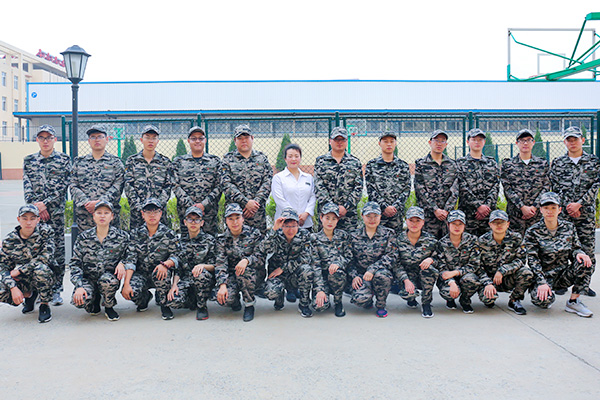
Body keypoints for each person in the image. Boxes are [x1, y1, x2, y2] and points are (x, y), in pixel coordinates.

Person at [523, 192, 594, 317]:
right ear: (541, 210)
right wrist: (541, 282)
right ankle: (547, 292)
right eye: (546, 208)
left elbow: (575, 249)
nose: (549, 211)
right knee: (542, 302)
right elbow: (533, 260)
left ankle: (573, 301)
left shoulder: (569, 227)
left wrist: (580, 253)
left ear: (559, 210)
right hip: (544, 276)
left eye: (553, 208)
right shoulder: (533, 232)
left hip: (563, 275)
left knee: (586, 262)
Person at [549, 126, 599, 297]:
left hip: (585, 214)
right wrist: (568, 206)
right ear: (564, 142)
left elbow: (595, 186)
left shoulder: (594, 162)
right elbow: (554, 187)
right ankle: (561, 282)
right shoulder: (558, 163)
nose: (572, 142)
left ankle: (583, 284)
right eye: (569, 140)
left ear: (582, 140)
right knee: (562, 250)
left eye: (575, 139)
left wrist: (579, 204)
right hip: (564, 214)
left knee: (587, 249)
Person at [23, 125, 71, 306]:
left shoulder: (64, 160)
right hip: (34, 217)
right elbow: (27, 186)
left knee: (57, 252)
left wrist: (46, 204)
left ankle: (56, 290)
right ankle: (35, 290)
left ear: (54, 140)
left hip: (55, 214)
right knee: (34, 251)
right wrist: (36, 208)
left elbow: (64, 185)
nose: (45, 141)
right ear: (37, 140)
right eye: (42, 137)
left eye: (49, 137)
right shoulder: (29, 160)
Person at [259, 207, 328, 318]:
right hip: (278, 276)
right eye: (287, 226)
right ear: (282, 225)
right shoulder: (275, 234)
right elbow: (264, 249)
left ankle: (304, 304)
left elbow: (306, 258)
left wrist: (283, 268)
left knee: (306, 270)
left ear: (298, 225)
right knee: (271, 292)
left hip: (295, 274)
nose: (290, 230)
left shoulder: (304, 235)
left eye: (293, 226)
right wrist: (273, 230)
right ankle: (279, 299)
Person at [69, 201, 130, 321]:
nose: (102, 216)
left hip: (108, 279)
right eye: (99, 213)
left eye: (106, 213)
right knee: (79, 302)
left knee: (108, 281)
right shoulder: (84, 238)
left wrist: (123, 263)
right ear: (93, 216)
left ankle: (109, 306)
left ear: (112, 216)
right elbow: (75, 264)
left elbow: (131, 255)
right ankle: (94, 299)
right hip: (89, 279)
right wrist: (79, 286)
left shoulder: (122, 237)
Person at [122, 198, 181, 320]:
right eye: (148, 212)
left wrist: (165, 264)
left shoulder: (169, 234)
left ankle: (164, 304)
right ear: (142, 214)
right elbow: (131, 260)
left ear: (161, 213)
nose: (152, 215)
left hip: (159, 273)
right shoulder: (135, 234)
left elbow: (176, 256)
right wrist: (126, 284)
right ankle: (144, 298)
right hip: (141, 273)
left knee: (162, 273)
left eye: (156, 211)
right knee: (132, 291)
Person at [0, 205, 54, 323]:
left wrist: (19, 271)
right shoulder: (9, 240)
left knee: (41, 269)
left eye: (32, 218)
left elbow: (45, 257)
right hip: (25, 278)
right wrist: (13, 287)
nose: (28, 222)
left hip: (45, 274)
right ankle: (28, 295)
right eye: (24, 218)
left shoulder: (46, 232)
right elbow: (3, 267)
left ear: (38, 220)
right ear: (18, 220)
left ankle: (44, 304)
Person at [477, 210, 533, 315]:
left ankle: (514, 300)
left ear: (507, 224)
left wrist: (503, 271)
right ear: (490, 224)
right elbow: (478, 266)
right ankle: (490, 295)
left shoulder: (516, 238)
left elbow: (521, 260)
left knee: (526, 273)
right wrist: (487, 283)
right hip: (489, 279)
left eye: (502, 222)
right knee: (488, 299)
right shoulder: (482, 241)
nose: (499, 225)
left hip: (507, 277)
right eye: (495, 222)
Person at [70, 125, 125, 231]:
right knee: (86, 246)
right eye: (93, 137)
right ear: (89, 141)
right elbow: (73, 185)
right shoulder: (79, 162)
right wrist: (86, 202)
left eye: (100, 136)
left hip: (108, 217)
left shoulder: (115, 163)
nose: (97, 140)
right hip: (85, 217)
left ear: (107, 139)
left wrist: (101, 202)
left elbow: (119, 185)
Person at [215, 203, 264, 322]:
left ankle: (249, 304)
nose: (235, 222)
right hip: (232, 275)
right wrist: (222, 285)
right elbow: (221, 263)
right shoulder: (222, 239)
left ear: (243, 218)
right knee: (225, 300)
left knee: (244, 270)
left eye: (237, 218)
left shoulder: (254, 234)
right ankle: (235, 299)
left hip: (252, 275)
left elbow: (261, 257)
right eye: (230, 219)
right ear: (226, 221)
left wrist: (247, 260)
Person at [166, 206, 216, 320]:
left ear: (202, 222)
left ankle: (202, 306)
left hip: (205, 280)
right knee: (173, 301)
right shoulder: (180, 242)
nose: (193, 222)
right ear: (185, 222)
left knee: (201, 274)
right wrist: (174, 285)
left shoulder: (210, 240)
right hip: (187, 281)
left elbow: (216, 265)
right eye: (190, 219)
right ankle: (192, 300)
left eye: (197, 219)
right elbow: (178, 268)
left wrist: (202, 266)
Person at [221, 124, 273, 235]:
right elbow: (226, 184)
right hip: (235, 214)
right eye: (240, 138)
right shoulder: (227, 159)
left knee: (259, 246)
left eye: (246, 138)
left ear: (252, 138)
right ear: (235, 140)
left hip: (257, 213)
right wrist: (245, 202)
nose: (243, 141)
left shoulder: (262, 158)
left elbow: (267, 182)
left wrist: (254, 204)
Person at [348, 202, 397, 318]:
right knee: (360, 299)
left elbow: (391, 256)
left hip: (380, 272)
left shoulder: (388, 234)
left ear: (380, 217)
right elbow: (349, 259)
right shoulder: (353, 235)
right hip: (361, 275)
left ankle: (381, 305)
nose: (372, 219)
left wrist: (372, 269)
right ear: (362, 216)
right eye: (368, 216)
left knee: (383, 276)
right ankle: (368, 299)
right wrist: (354, 276)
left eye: (375, 216)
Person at [172, 126, 222, 236]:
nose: (197, 141)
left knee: (210, 246)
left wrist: (204, 205)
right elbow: (174, 185)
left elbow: (220, 186)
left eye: (201, 138)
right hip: (187, 216)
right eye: (194, 138)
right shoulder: (179, 162)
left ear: (205, 140)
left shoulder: (215, 161)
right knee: (186, 246)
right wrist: (191, 206)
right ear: (188, 141)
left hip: (209, 215)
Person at [500, 129, 550, 238]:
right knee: (516, 247)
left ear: (533, 142)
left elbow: (546, 187)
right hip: (515, 216)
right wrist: (522, 207)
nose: (525, 143)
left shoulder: (542, 164)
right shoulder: (508, 164)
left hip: (536, 215)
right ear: (517, 143)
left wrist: (534, 207)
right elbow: (507, 188)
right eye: (522, 140)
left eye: (528, 140)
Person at [314, 127, 363, 231]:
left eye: (343, 140)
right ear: (330, 141)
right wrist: (332, 209)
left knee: (348, 244)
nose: (339, 142)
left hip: (348, 215)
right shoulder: (321, 162)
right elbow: (319, 187)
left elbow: (358, 188)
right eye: (336, 139)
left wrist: (346, 207)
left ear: (347, 141)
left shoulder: (355, 162)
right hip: (327, 215)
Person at [124, 125, 172, 230]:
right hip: (138, 214)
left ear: (158, 141)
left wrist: (157, 207)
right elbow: (128, 185)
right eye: (147, 137)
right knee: (137, 243)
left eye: (154, 138)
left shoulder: (165, 162)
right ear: (141, 140)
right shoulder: (132, 161)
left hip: (158, 215)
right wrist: (140, 208)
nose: (151, 141)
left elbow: (168, 186)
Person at [395, 206, 439, 318]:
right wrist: (405, 280)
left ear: (423, 222)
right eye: (411, 220)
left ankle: (426, 303)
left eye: (418, 220)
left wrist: (431, 259)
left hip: (423, 275)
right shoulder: (398, 239)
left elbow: (441, 257)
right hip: (407, 276)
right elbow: (396, 263)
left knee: (429, 270)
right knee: (407, 293)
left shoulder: (431, 240)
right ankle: (411, 298)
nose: (414, 224)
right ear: (406, 221)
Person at [414, 130, 459, 239]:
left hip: (447, 216)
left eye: (442, 141)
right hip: (429, 216)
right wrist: (435, 209)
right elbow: (420, 189)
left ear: (446, 144)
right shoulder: (421, 164)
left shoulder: (452, 164)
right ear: (430, 142)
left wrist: (446, 210)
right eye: (436, 140)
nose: (439, 144)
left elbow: (456, 189)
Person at [456, 128, 500, 237]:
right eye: (474, 139)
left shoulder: (492, 163)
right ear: (468, 142)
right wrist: (478, 206)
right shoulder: (460, 163)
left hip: (488, 215)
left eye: (480, 139)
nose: (477, 142)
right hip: (468, 214)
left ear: (484, 142)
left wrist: (486, 207)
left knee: (488, 245)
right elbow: (462, 187)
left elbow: (495, 186)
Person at [435, 210, 481, 314]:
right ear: (448, 224)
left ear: (464, 225)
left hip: (465, 275)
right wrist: (451, 282)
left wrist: (456, 272)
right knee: (447, 291)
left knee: (471, 280)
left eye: (460, 224)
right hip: (448, 277)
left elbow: (474, 264)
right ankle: (450, 299)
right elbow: (441, 267)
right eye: (454, 224)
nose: (457, 227)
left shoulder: (472, 240)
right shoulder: (441, 243)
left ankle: (465, 300)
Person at [311, 202, 352, 317]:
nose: (330, 222)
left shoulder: (343, 236)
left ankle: (338, 302)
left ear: (338, 220)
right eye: (327, 218)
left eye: (334, 219)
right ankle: (325, 295)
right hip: (322, 278)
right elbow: (315, 265)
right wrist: (319, 289)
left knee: (336, 272)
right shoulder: (314, 238)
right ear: (321, 218)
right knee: (319, 307)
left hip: (338, 277)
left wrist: (338, 263)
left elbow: (349, 256)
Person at [365, 131, 411, 231]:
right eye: (385, 141)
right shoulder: (372, 165)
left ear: (396, 143)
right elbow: (370, 189)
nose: (389, 144)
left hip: (396, 214)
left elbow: (406, 189)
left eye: (391, 141)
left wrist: (395, 207)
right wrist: (384, 207)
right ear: (379, 143)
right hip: (377, 214)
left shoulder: (403, 166)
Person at [271, 143, 316, 230]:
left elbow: (312, 197)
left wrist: (306, 214)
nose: (293, 159)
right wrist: (294, 216)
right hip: (285, 223)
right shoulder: (278, 178)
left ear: (300, 158)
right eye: (290, 156)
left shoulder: (308, 178)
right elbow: (279, 199)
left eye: (296, 156)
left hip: (305, 223)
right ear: (285, 158)